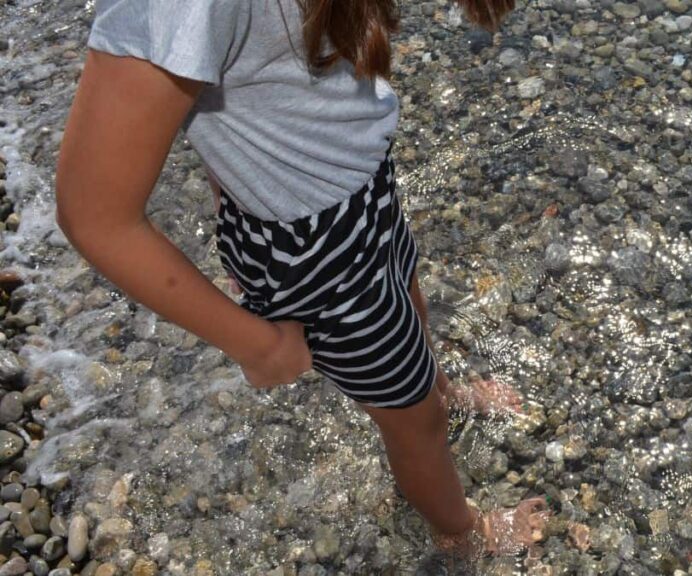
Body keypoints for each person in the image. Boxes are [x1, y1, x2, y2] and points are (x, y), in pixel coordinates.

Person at [55, 0, 549, 560]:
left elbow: (245, 80)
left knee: (408, 299)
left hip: (354, 190)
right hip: (311, 245)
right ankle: (462, 535)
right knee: (414, 426)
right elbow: (94, 215)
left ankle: (436, 390)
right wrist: (258, 344)